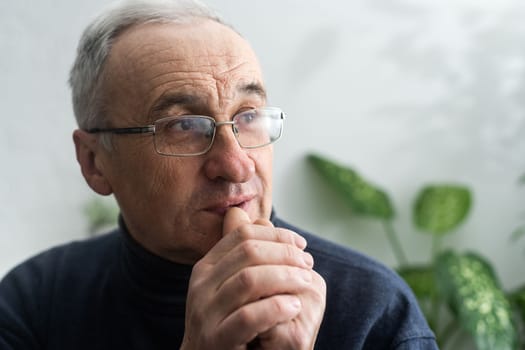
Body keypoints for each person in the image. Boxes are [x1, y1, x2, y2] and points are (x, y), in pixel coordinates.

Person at [0, 0, 438, 349]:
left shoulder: (374, 312)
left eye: (248, 116)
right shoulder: (33, 305)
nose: (236, 164)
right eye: (183, 126)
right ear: (95, 162)